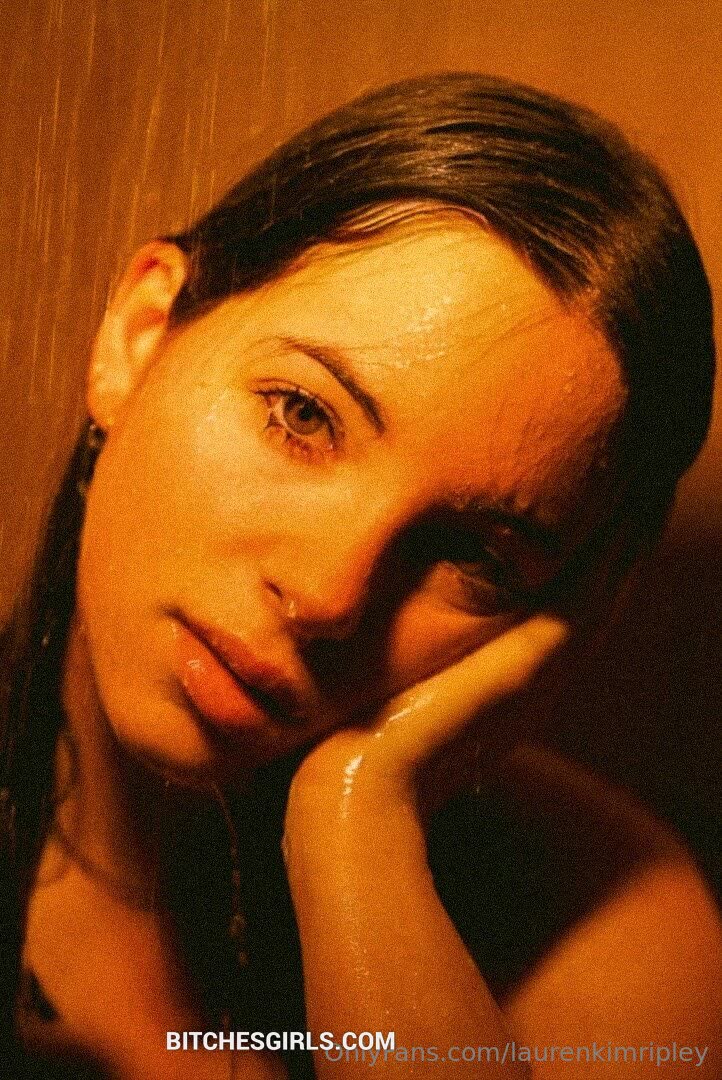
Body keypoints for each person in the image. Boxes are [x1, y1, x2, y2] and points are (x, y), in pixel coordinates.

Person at [0, 72, 719, 1079]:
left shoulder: (613, 946)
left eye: (474, 554)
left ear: (568, 614)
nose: (331, 596)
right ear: (141, 335)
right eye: (302, 416)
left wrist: (356, 831)